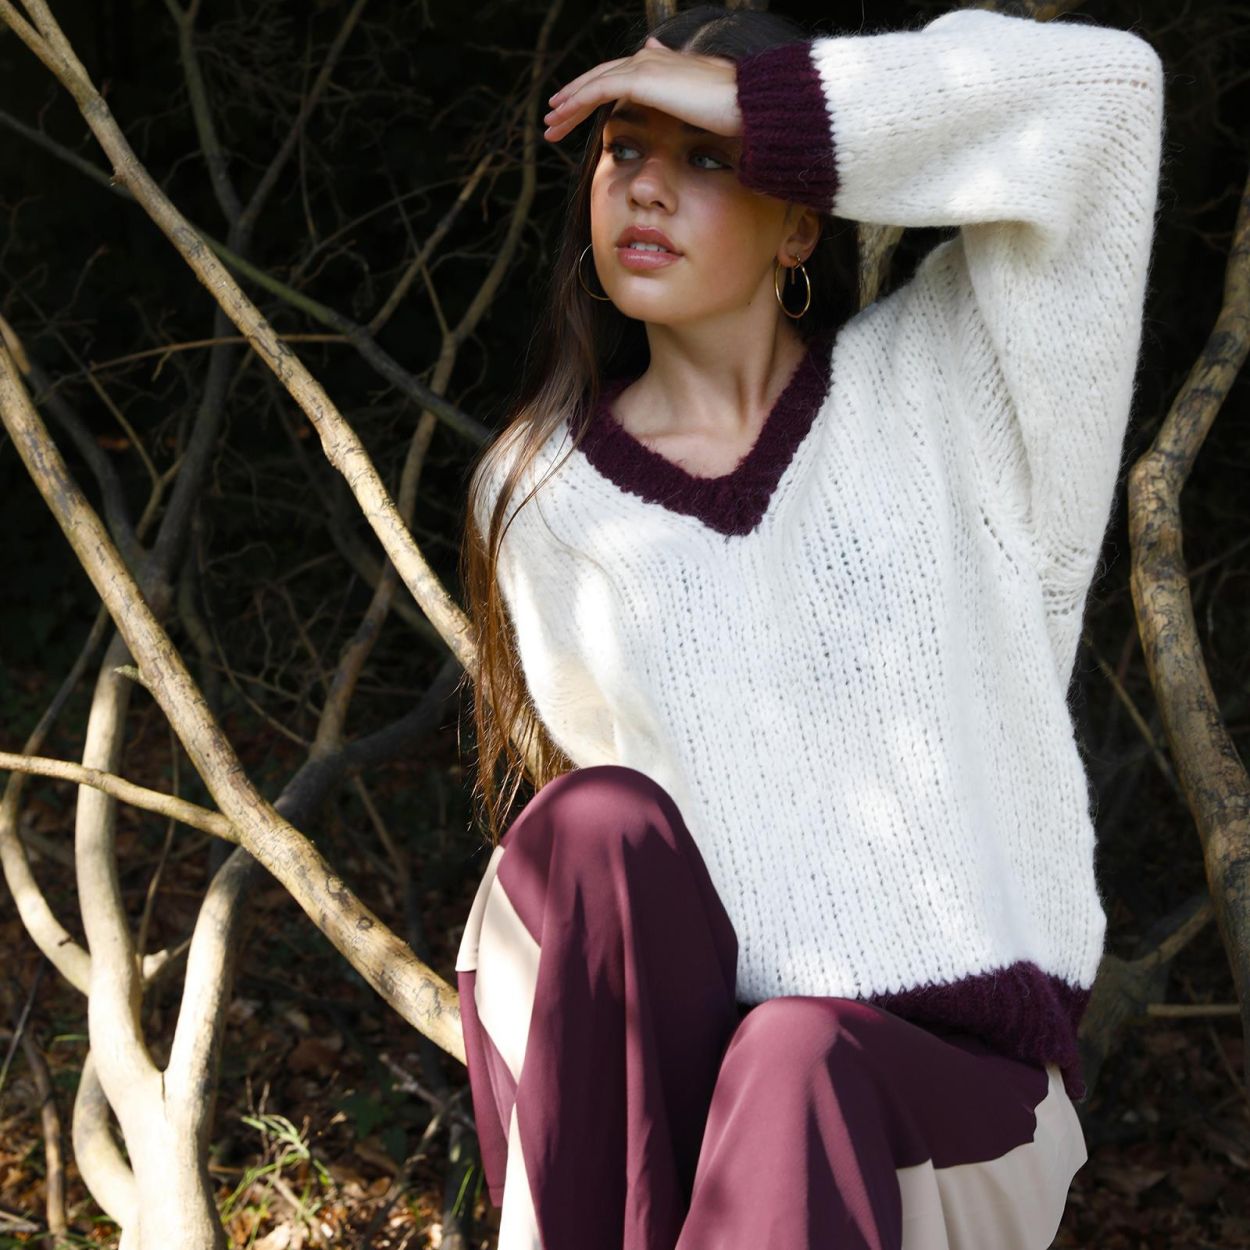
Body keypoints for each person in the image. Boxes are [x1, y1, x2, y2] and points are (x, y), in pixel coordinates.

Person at [452, 4, 1167, 1248]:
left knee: (791, 1054)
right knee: (594, 818)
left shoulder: (955, 389)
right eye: (624, 150)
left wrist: (764, 106)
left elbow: (1107, 98)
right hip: (681, 1103)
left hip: (940, 1097)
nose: (646, 189)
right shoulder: (542, 492)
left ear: (799, 222)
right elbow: (613, 903)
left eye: (706, 157)